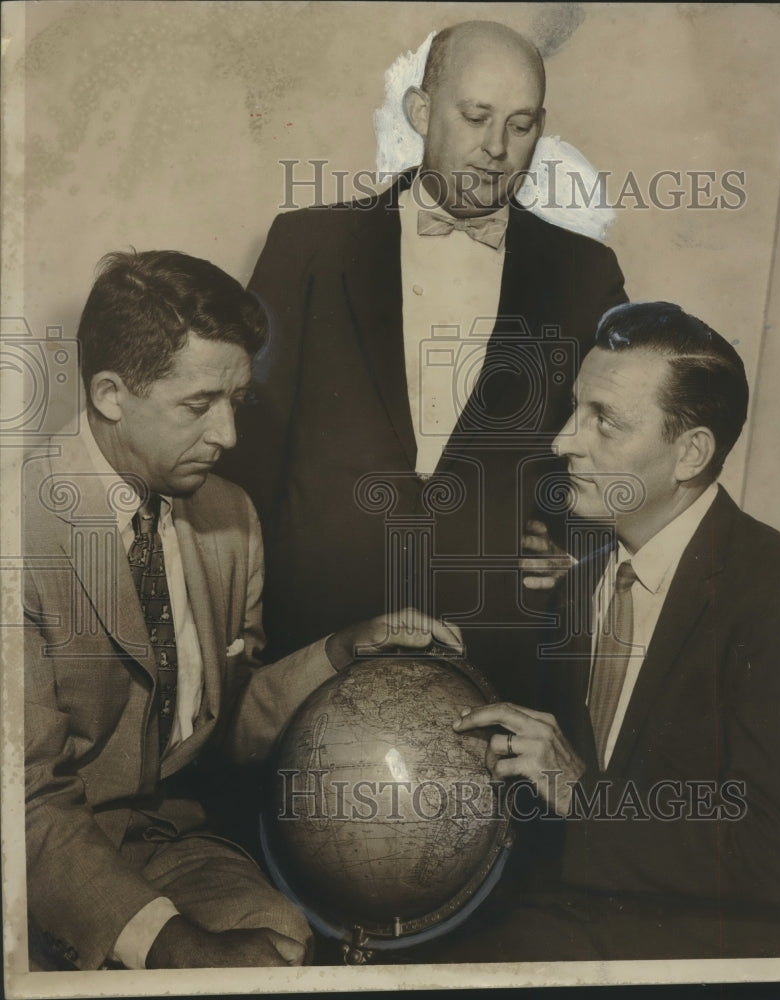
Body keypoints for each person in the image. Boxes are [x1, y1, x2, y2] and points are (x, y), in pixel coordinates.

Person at [22, 250, 460, 972]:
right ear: (110, 394)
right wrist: (172, 944)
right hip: (37, 858)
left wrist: (340, 652)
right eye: (199, 406)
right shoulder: (17, 532)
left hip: (167, 844)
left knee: (279, 940)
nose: (227, 435)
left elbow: (221, 726)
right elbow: (24, 798)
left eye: (237, 401)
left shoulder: (230, 517)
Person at [218, 20, 628, 703]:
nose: (496, 148)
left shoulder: (584, 274)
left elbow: (629, 439)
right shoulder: (307, 245)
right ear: (420, 111)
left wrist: (582, 549)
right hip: (311, 644)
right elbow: (243, 454)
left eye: (521, 125)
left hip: (494, 656)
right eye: (476, 117)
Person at [420, 301, 780, 961]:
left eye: (605, 421)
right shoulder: (578, 581)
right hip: (556, 926)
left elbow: (778, 852)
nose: (563, 441)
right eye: (574, 409)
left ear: (690, 453)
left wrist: (580, 794)